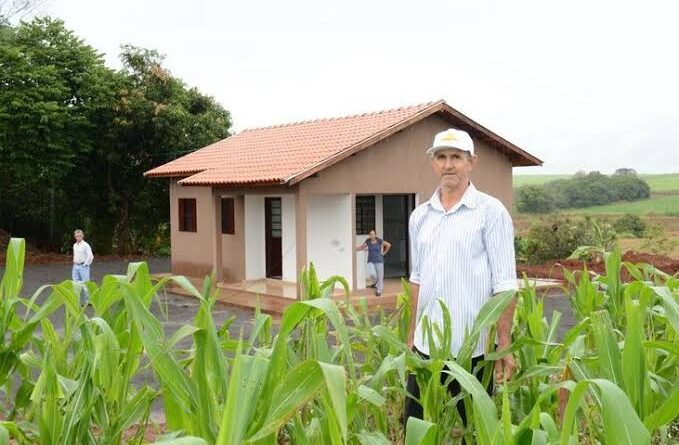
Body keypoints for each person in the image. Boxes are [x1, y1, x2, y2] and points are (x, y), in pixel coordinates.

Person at [404, 128, 518, 427]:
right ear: (433, 163)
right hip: (426, 347)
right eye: (441, 157)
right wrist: (411, 333)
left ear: (471, 162)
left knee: (475, 429)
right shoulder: (420, 216)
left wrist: (503, 344)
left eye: (456, 157)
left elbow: (505, 285)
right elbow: (418, 278)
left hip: (474, 349)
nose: (448, 164)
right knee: (416, 425)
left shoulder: (490, 212)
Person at [356, 229, 391, 296]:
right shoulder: (368, 241)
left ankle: (379, 291)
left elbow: (388, 245)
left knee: (380, 277)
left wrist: (384, 253)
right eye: (370, 234)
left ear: (375, 235)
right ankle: (375, 284)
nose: (372, 235)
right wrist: (354, 249)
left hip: (379, 261)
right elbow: (362, 247)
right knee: (372, 274)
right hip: (370, 261)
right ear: (369, 235)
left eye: (373, 234)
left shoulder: (379, 241)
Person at [72, 229, 94, 305]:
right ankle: (76, 301)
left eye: (80, 236)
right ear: (75, 237)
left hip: (83, 266)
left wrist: (86, 264)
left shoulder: (85, 245)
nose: (78, 237)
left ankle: (88, 301)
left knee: (85, 284)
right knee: (75, 284)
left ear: (82, 236)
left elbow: (90, 256)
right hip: (75, 266)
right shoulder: (74, 245)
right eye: (76, 236)